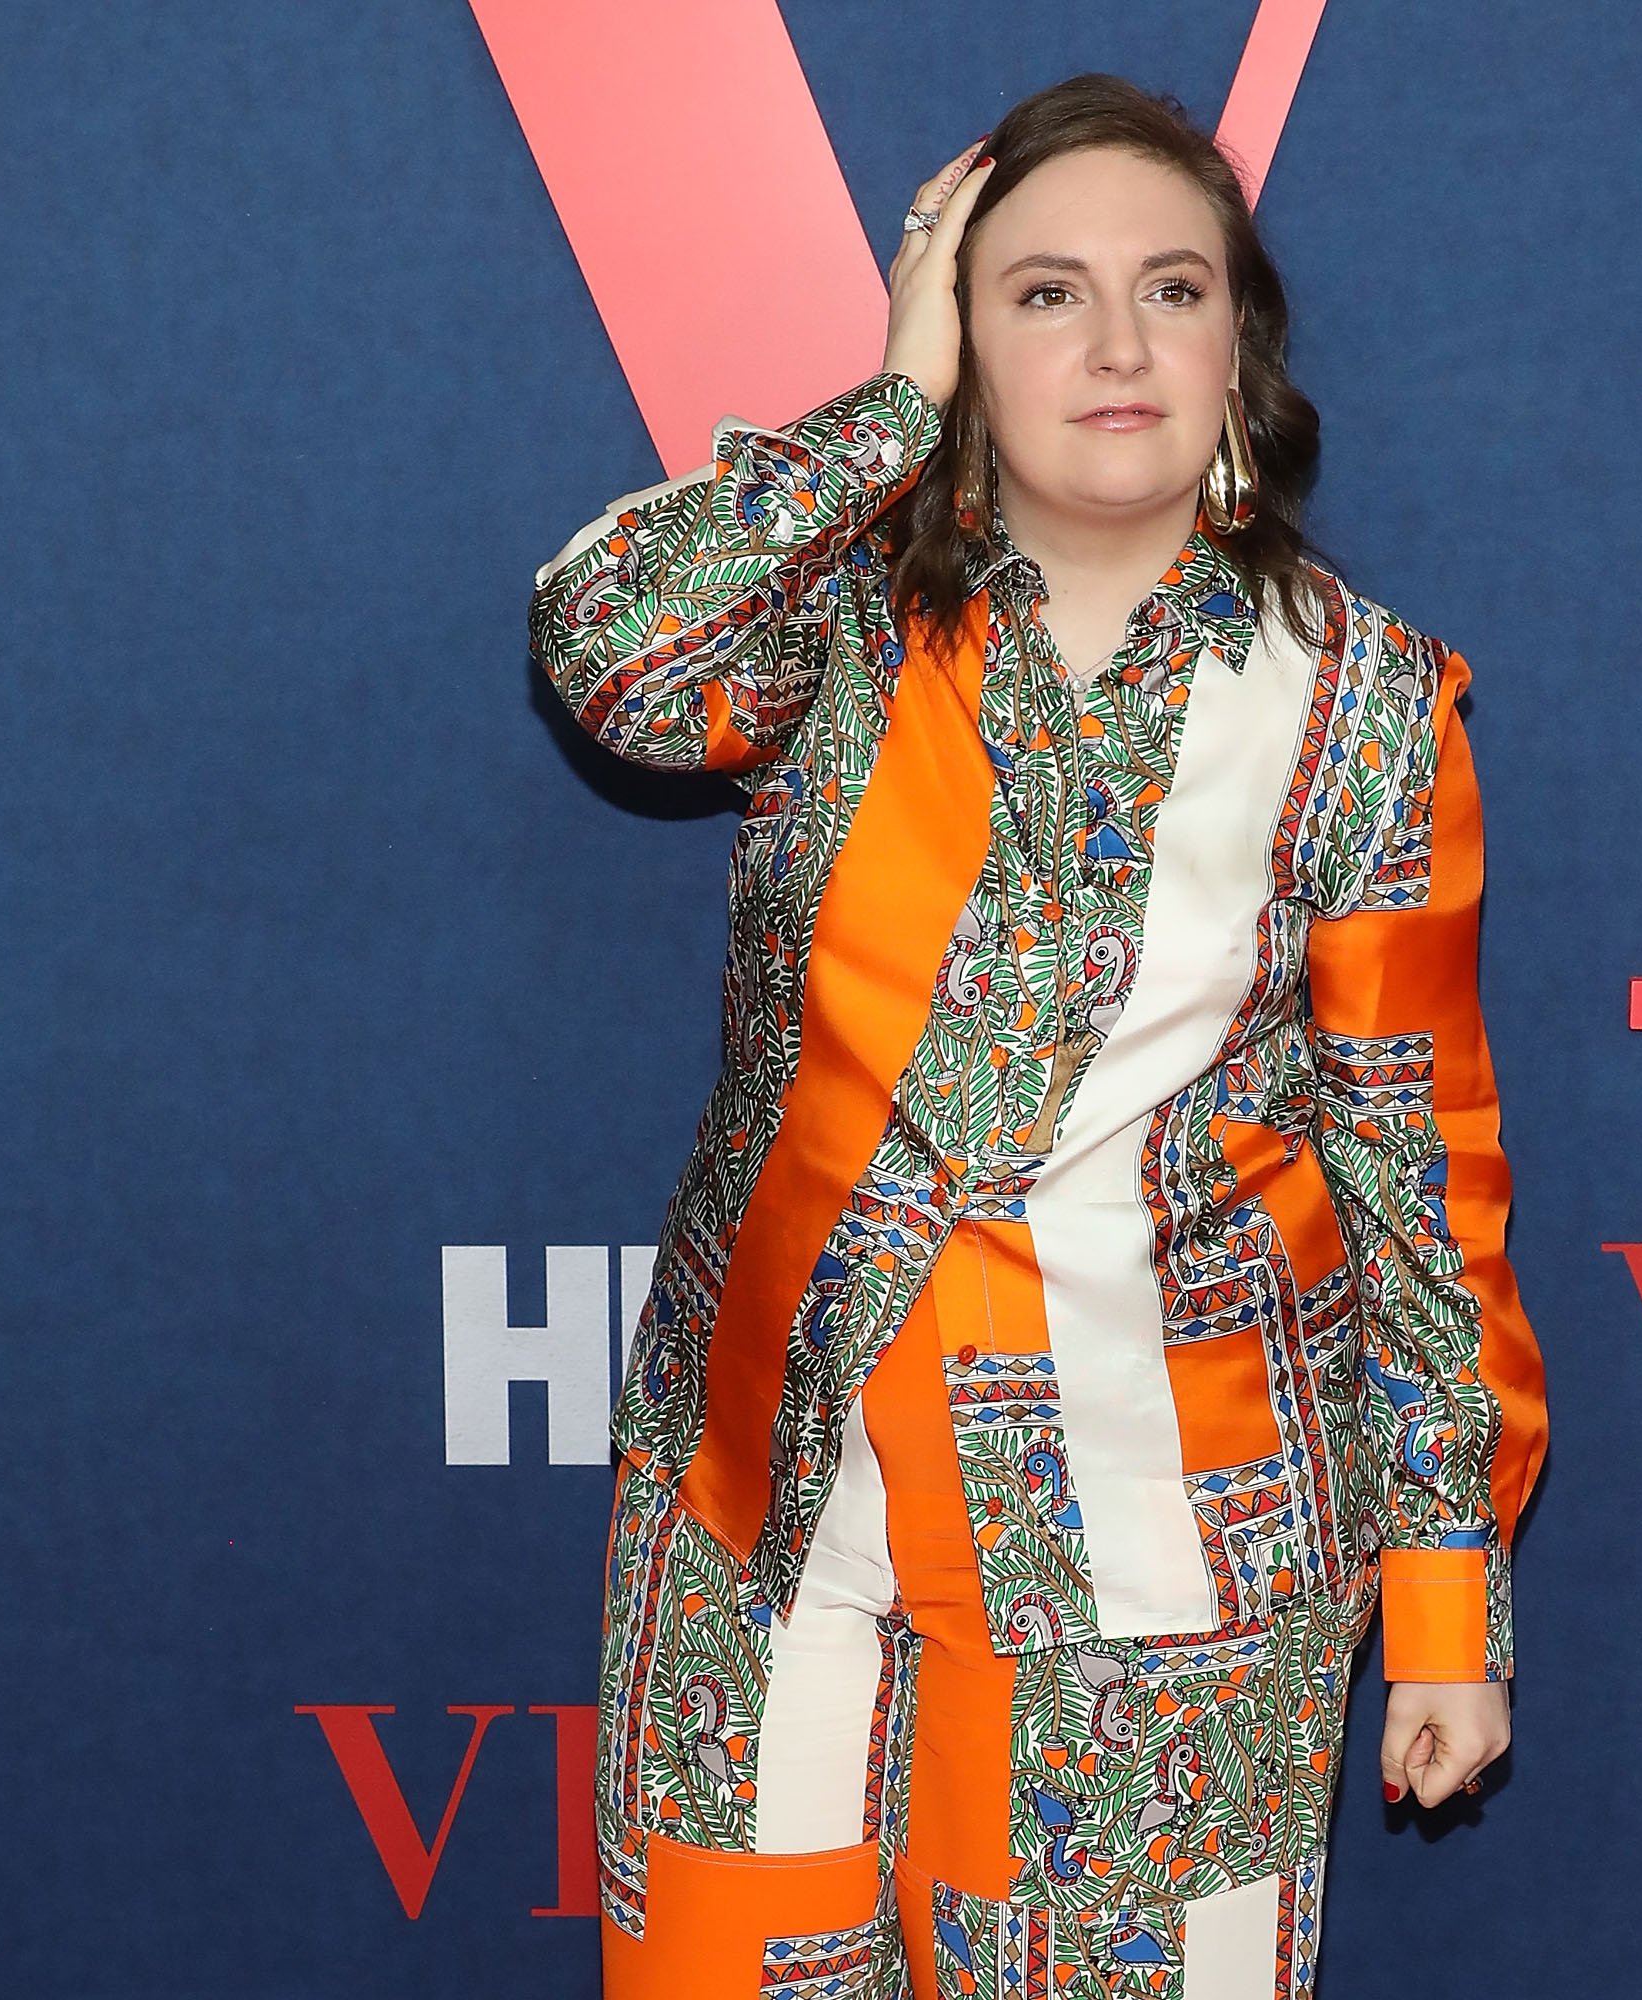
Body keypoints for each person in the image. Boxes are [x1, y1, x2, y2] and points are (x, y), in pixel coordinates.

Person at [530, 70, 1547, 2000]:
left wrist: (1442, 1600)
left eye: (1171, 290)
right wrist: (883, 414)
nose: (1111, 343)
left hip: (1173, 1550)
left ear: (1240, 352)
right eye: (1040, 293)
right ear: (964, 336)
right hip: (755, 1505)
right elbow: (610, 653)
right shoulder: (836, 623)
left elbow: (1417, 1170)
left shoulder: (1365, 707)